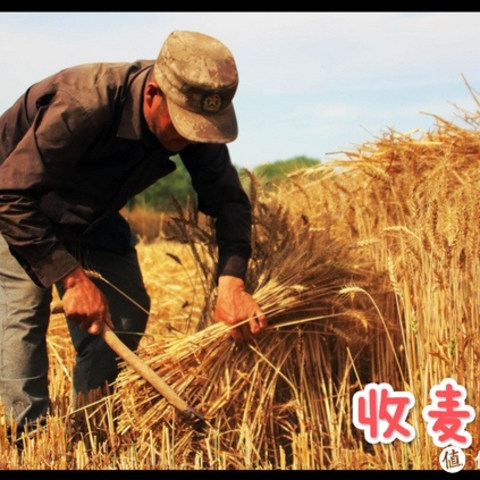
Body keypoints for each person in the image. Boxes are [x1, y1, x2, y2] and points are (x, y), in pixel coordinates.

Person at [0, 30, 267, 438]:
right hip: (21, 206)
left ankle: (88, 430)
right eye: (182, 126)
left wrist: (231, 283)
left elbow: (230, 201)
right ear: (153, 94)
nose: (189, 138)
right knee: (23, 316)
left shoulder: (193, 123)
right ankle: (29, 437)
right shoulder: (83, 103)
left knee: (126, 309)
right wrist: (70, 279)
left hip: (93, 211)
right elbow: (10, 192)